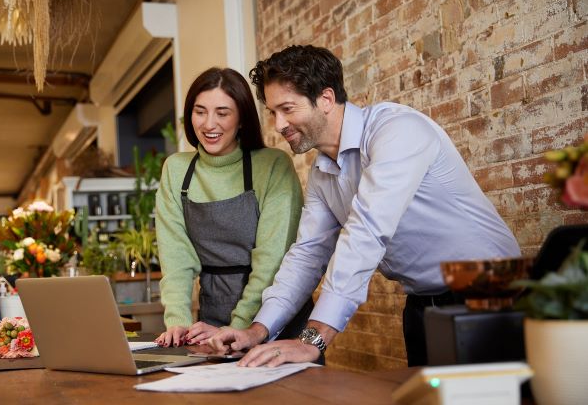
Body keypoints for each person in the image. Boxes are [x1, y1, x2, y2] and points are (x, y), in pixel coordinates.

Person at [209, 45, 521, 367]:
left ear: (326, 99)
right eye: (273, 112)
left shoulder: (397, 131)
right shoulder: (322, 172)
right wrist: (258, 330)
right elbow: (307, 255)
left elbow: (366, 232)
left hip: (490, 288)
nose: (278, 124)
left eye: (287, 109)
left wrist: (312, 339)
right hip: (424, 303)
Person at [155, 67, 309, 348]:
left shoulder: (273, 166)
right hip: (212, 311)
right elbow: (176, 256)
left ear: (241, 120)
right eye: (200, 112)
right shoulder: (176, 170)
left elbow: (272, 260)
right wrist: (178, 322)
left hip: (273, 317)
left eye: (222, 113)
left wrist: (237, 328)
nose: (209, 124)